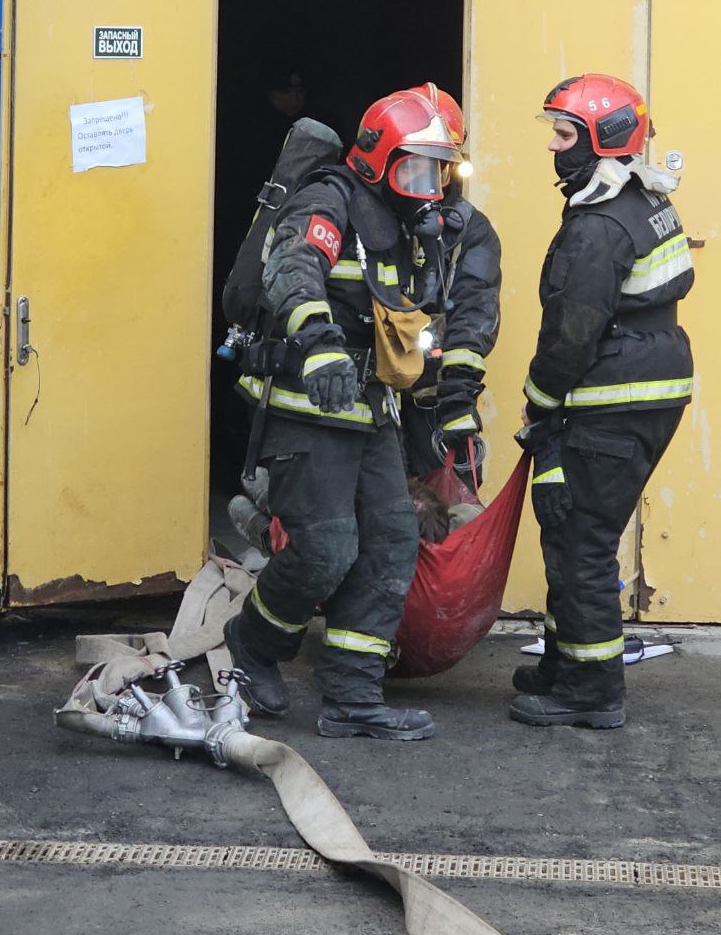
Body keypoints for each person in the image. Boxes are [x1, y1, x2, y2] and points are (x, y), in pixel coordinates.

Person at [223, 86, 461, 740]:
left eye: (438, 171)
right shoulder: (328, 201)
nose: (429, 186)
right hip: (305, 408)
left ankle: (353, 698)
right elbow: (294, 269)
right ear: (380, 158)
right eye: (416, 168)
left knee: (390, 545)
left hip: (371, 412)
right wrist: (320, 344)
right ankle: (253, 645)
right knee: (327, 549)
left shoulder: (408, 226)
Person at [511, 74, 694, 729]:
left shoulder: (597, 226)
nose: (554, 147)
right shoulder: (643, 199)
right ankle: (564, 663)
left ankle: (590, 691)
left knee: (580, 538)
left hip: (615, 396)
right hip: (648, 387)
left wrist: (539, 404)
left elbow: (571, 333)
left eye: (564, 135)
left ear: (601, 140)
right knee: (575, 532)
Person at [398, 84, 502, 491]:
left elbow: (475, 313)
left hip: (434, 402)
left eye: (437, 164)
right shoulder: (367, 219)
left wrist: (457, 398)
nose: (425, 176)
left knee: (449, 510)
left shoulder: (469, 230)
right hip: (368, 398)